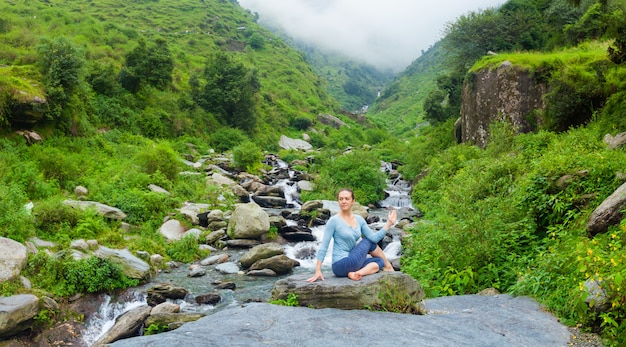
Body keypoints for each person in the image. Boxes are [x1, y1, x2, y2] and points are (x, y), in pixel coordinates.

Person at [306, 188, 397, 282]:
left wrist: (389, 224)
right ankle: (389, 267)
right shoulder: (333, 221)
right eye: (341, 199)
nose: (343, 201)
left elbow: (374, 238)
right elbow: (324, 247)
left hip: (352, 262)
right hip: (340, 264)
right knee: (367, 241)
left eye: (347, 199)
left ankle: (357, 273)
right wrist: (318, 270)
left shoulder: (359, 220)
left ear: (353, 201)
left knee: (379, 261)